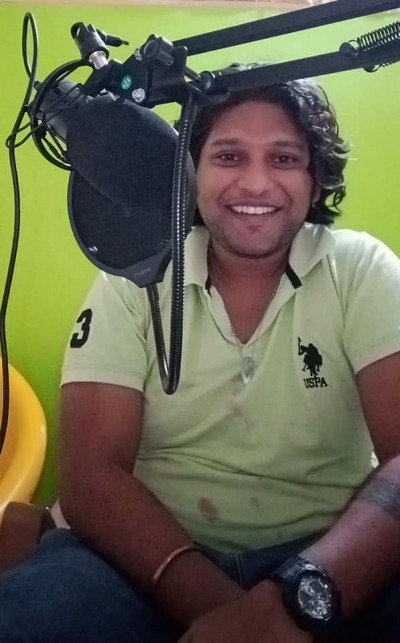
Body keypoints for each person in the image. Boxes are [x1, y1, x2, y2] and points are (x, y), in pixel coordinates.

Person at [1, 67, 400, 643]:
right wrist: (230, 612)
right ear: (189, 173)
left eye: (284, 158)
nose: (256, 183)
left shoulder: (361, 269)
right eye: (229, 157)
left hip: (327, 562)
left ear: (316, 181)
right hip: (141, 559)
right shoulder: (132, 275)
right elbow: (90, 474)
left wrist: (296, 601)